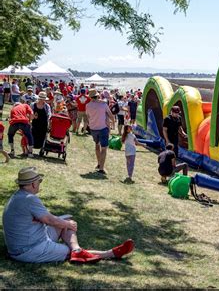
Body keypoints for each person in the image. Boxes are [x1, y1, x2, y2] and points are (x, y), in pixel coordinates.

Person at [3, 167, 135, 263]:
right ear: (33, 184)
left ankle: (77, 249)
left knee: (66, 220)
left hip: (30, 240)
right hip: (29, 249)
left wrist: (66, 223)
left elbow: (43, 218)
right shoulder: (29, 199)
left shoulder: (18, 197)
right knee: (66, 248)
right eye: (39, 181)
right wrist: (67, 224)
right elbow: (49, 219)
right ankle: (110, 253)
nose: (39, 184)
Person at [86, 88, 114, 174]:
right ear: (97, 96)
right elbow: (110, 115)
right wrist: (113, 122)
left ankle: (98, 163)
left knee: (97, 145)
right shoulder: (103, 104)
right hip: (102, 128)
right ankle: (101, 168)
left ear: (90, 97)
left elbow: (88, 116)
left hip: (93, 128)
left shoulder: (88, 105)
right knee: (104, 148)